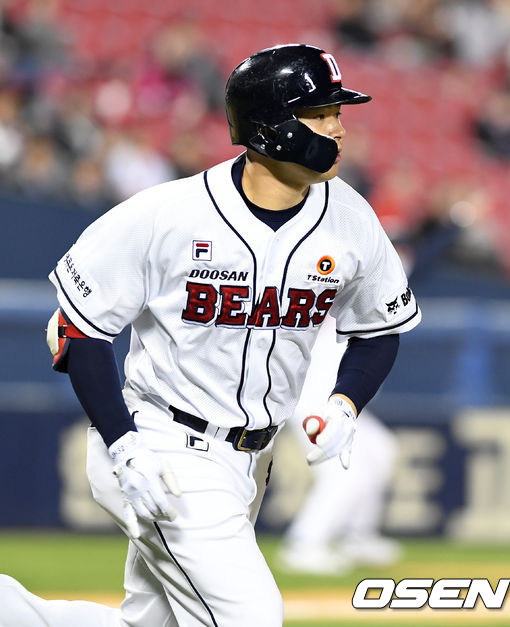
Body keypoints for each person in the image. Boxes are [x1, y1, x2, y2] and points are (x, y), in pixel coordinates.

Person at [0, 43, 420, 626]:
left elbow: (379, 329)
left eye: (337, 113)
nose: (338, 128)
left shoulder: (350, 218)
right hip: (163, 447)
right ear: (269, 127)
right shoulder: (169, 213)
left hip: (252, 458)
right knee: (251, 617)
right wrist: (124, 445)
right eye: (320, 114)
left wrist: (345, 404)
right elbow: (76, 329)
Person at [276, 316, 402, 575]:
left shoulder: (367, 309)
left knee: (381, 449)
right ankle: (303, 543)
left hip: (343, 404)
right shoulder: (330, 306)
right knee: (346, 473)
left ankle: (356, 536)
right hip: (315, 404)